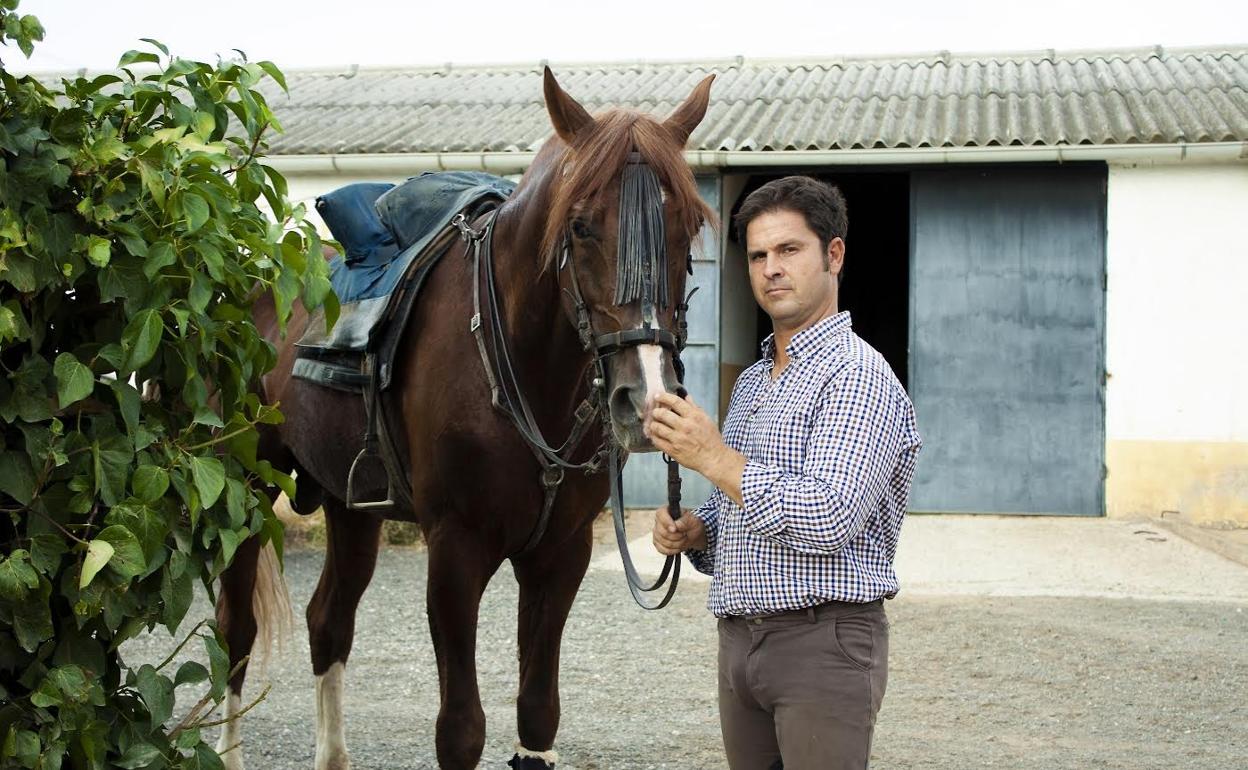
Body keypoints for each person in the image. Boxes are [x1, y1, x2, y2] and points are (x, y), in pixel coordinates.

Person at [646, 175, 922, 770]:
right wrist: (697, 532)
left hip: (822, 643)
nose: (772, 268)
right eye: (758, 255)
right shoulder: (752, 380)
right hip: (740, 638)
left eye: (789, 250)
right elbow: (737, 510)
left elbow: (827, 516)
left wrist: (715, 457)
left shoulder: (858, 377)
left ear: (834, 254)